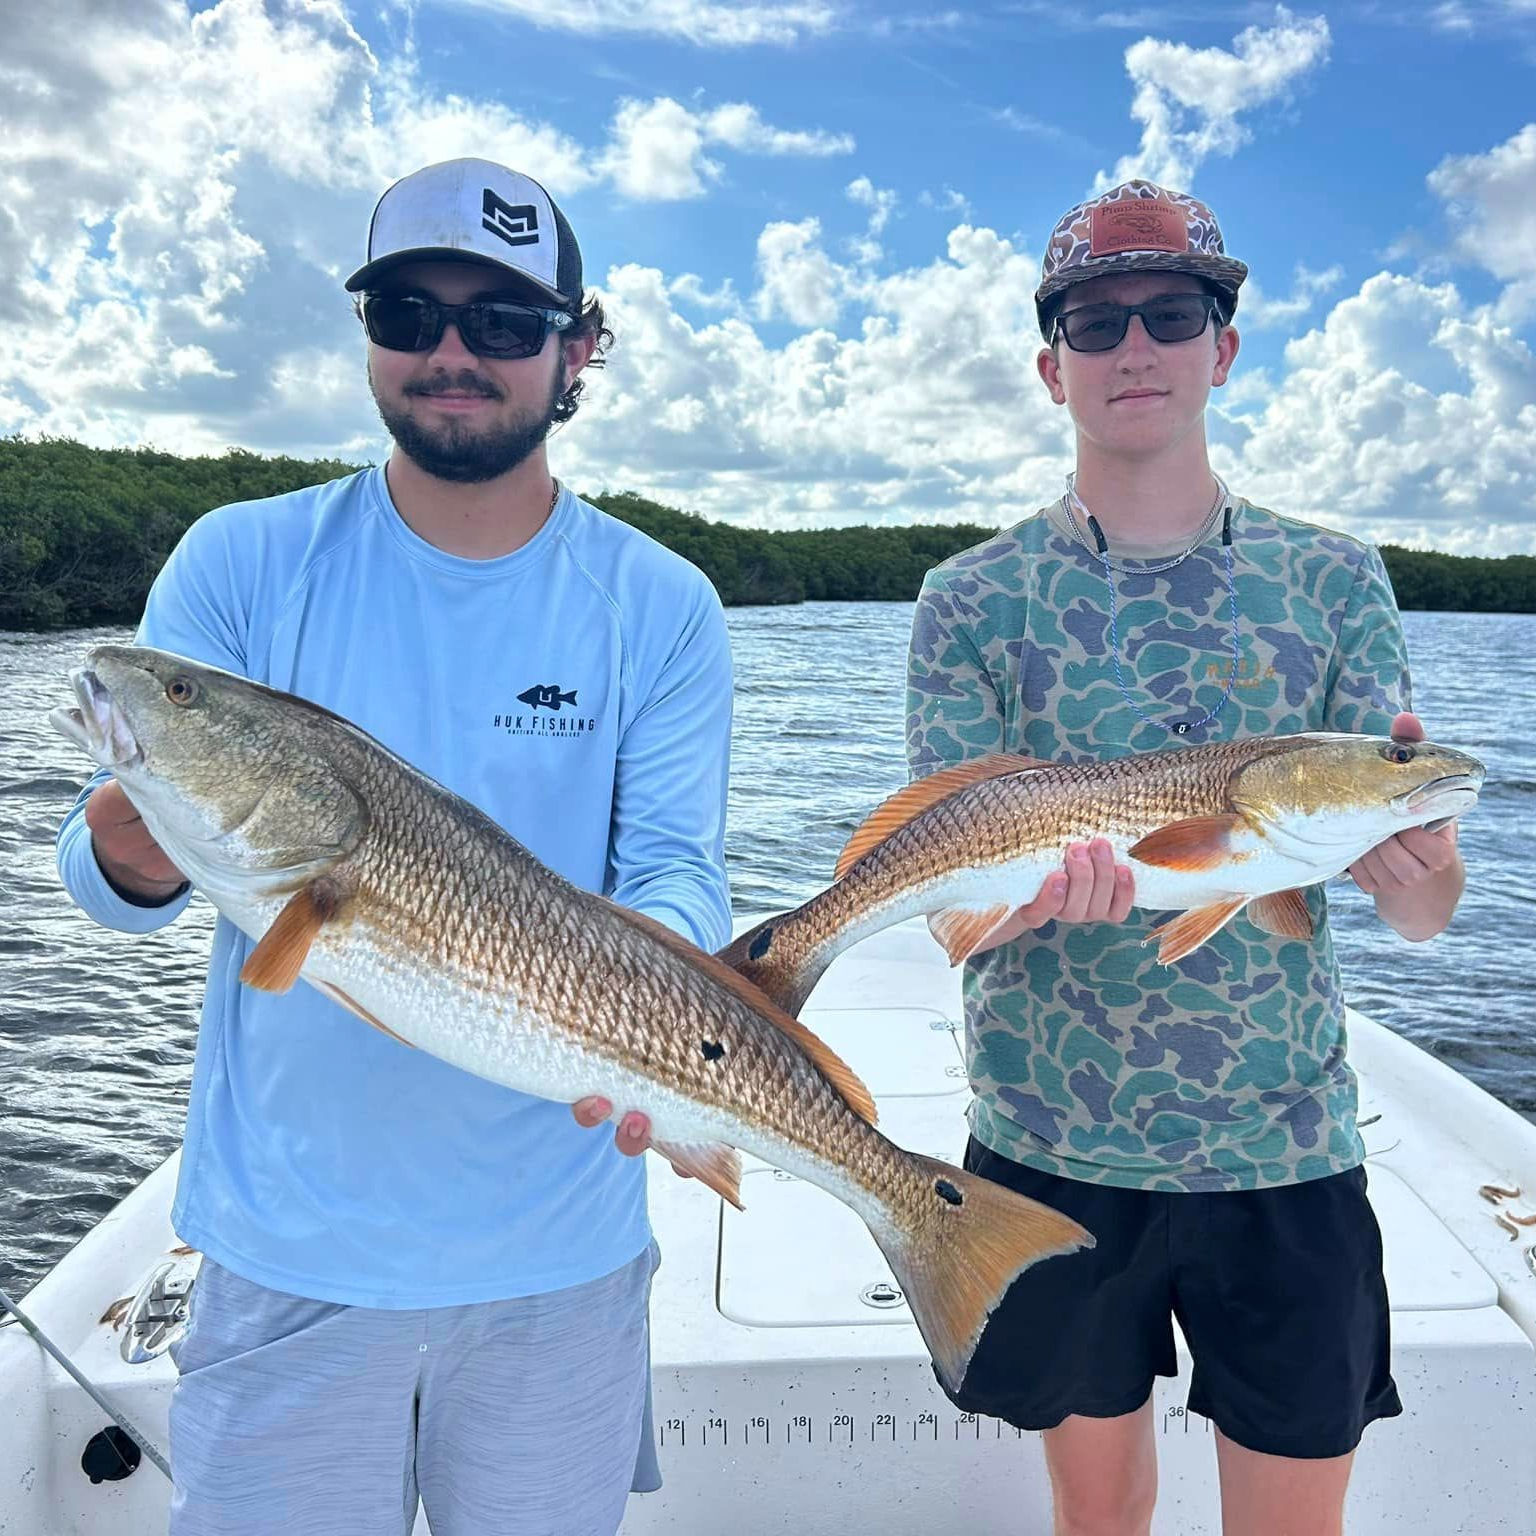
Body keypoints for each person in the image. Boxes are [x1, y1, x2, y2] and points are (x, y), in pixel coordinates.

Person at [55, 157, 734, 1536]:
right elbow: (110, 885)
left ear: (576, 345)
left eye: (502, 323)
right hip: (290, 1262)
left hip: (563, 1260)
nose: (450, 353)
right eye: (407, 310)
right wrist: (136, 830)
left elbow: (674, 870)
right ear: (365, 329)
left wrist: (676, 1020)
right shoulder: (242, 564)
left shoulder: (660, 605)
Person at [904, 180, 1467, 1536]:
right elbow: (948, 913)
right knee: (1096, 1523)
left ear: (1224, 344)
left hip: (1285, 1147)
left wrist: (1415, 872)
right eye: (1095, 325)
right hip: (1049, 1141)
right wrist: (1025, 908)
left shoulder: (1337, 578)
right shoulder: (967, 599)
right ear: (1052, 370)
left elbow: (1432, 911)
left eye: (1174, 312)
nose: (1135, 348)